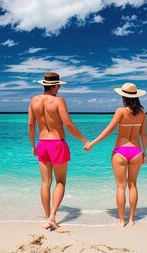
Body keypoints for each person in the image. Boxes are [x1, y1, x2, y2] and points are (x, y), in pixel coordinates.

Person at [28, 72, 89, 230]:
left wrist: (33, 146)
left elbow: (30, 125)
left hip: (42, 143)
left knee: (45, 182)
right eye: (58, 86)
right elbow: (67, 124)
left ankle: (47, 217)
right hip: (57, 144)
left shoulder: (33, 101)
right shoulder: (59, 101)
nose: (59, 89)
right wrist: (84, 140)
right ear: (54, 86)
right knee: (60, 181)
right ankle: (53, 216)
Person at [84, 82, 147, 227]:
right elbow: (143, 135)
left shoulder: (120, 111)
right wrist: (145, 152)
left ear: (123, 97)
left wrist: (92, 143)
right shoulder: (142, 113)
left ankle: (121, 220)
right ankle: (131, 219)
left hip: (120, 152)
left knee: (120, 186)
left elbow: (108, 130)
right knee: (133, 185)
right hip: (136, 151)